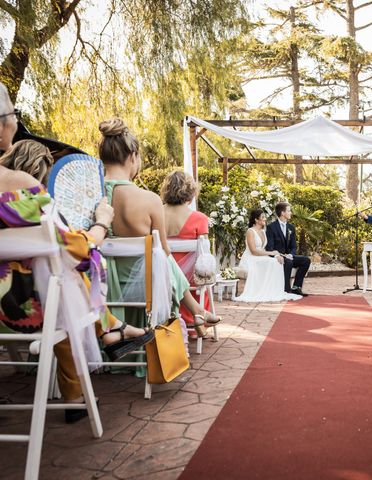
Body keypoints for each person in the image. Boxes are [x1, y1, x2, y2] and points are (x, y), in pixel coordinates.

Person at [0, 82, 152, 422]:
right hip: (18, 311)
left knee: (59, 284)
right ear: (1, 124)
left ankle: (110, 331)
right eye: (14, 115)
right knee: (65, 282)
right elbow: (73, 249)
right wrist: (100, 223)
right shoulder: (20, 187)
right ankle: (106, 336)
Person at [98, 118, 219, 341]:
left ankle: (197, 312)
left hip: (99, 282)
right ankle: (197, 311)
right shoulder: (149, 200)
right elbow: (163, 252)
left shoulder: (91, 195)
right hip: (144, 287)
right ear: (133, 156)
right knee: (165, 259)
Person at [161, 171, 219, 337]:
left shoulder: (156, 213)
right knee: (202, 276)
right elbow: (204, 254)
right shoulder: (199, 218)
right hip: (189, 277)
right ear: (190, 192)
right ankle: (198, 317)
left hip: (163, 272)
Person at [236, 209, 302, 302]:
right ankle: (267, 290)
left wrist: (276, 255)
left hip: (262, 257)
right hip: (251, 258)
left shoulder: (263, 231)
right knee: (272, 262)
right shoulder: (250, 231)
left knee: (277, 261)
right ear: (256, 220)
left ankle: (275, 290)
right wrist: (271, 253)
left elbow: (266, 248)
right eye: (262, 217)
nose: (265, 219)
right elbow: (254, 251)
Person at [265, 202, 311, 296]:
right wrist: (278, 255)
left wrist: (291, 254)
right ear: (282, 213)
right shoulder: (271, 227)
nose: (291, 213)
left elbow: (294, 246)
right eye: (289, 211)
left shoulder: (291, 228)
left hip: (288, 256)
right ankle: (286, 289)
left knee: (306, 260)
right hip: (278, 257)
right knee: (288, 262)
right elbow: (269, 247)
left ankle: (296, 287)